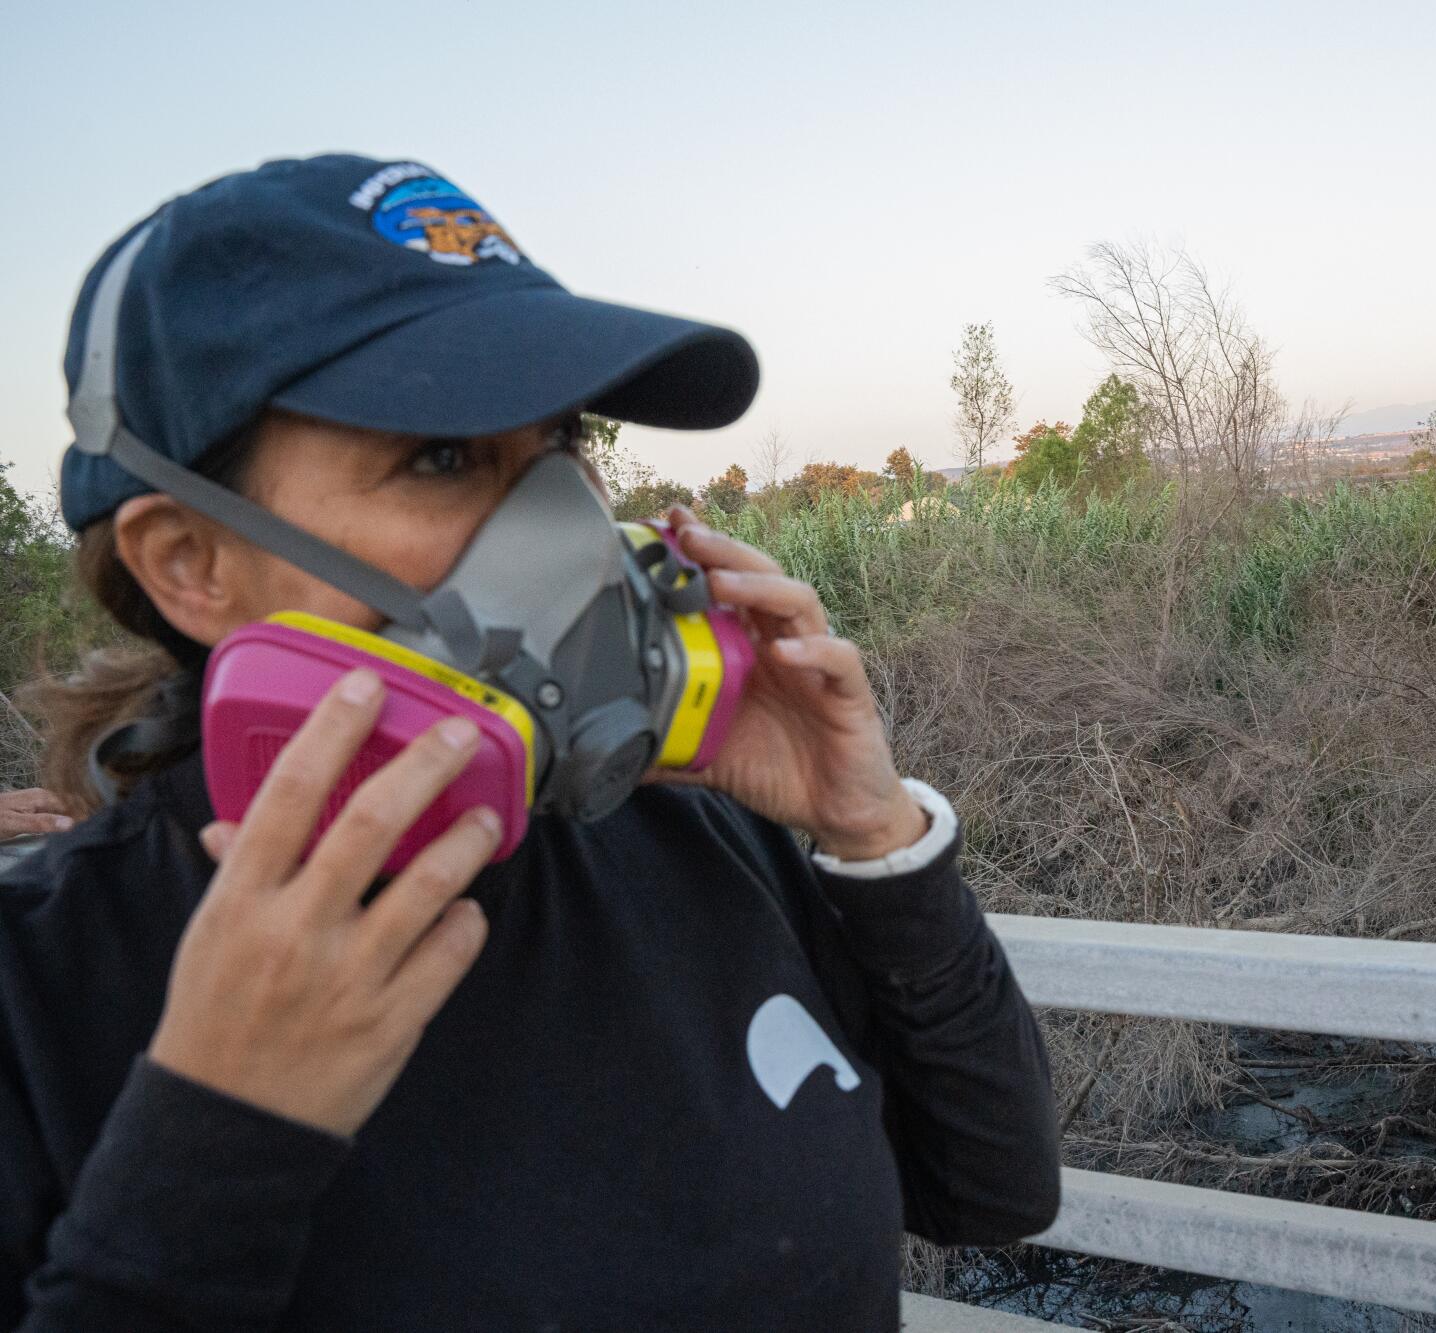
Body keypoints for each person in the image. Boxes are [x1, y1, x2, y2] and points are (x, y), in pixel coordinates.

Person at [0, 155, 1059, 1330]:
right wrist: (218, 1129)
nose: (566, 528)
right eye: (441, 456)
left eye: (559, 442)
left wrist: (876, 839)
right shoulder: (40, 988)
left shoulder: (698, 835)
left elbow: (992, 1188)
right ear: (189, 562)